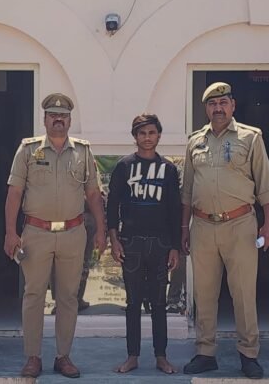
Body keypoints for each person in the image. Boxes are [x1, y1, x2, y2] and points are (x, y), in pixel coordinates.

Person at [4, 93, 107, 379]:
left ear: (70, 120)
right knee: (34, 295)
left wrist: (101, 229)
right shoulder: (28, 150)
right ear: (45, 119)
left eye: (63, 116)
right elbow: (14, 192)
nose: (58, 120)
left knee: (68, 297)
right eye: (53, 115)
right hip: (36, 232)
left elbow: (93, 194)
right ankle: (33, 356)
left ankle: (63, 356)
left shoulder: (82, 152)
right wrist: (10, 232)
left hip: (73, 233)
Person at [180, 82, 269, 379]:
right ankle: (205, 352)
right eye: (212, 104)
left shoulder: (250, 137)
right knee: (204, 293)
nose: (218, 108)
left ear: (233, 106)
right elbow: (187, 190)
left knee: (243, 293)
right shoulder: (195, 141)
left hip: (240, 224)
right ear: (206, 109)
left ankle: (249, 354)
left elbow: (265, 184)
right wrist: (184, 227)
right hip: (202, 225)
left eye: (223, 103)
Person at [107, 113, 181, 375]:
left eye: (151, 132)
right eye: (142, 133)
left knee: (159, 303)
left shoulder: (169, 169)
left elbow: (175, 210)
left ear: (159, 135)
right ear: (135, 136)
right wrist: (114, 239)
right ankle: (132, 356)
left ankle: (161, 356)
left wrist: (175, 247)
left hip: (161, 244)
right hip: (131, 243)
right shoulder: (124, 166)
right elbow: (112, 205)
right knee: (133, 302)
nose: (147, 138)